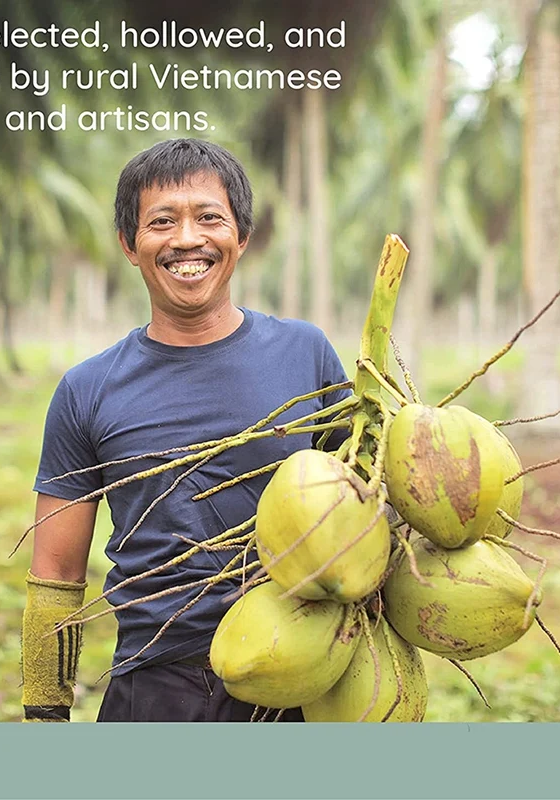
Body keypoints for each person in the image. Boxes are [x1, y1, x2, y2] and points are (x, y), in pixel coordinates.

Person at [21, 138, 351, 723]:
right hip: (153, 687)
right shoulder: (87, 389)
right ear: (129, 244)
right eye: (161, 221)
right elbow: (56, 575)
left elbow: (363, 510)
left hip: (295, 678)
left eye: (209, 218)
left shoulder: (307, 355)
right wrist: (45, 716)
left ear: (241, 237)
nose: (187, 240)